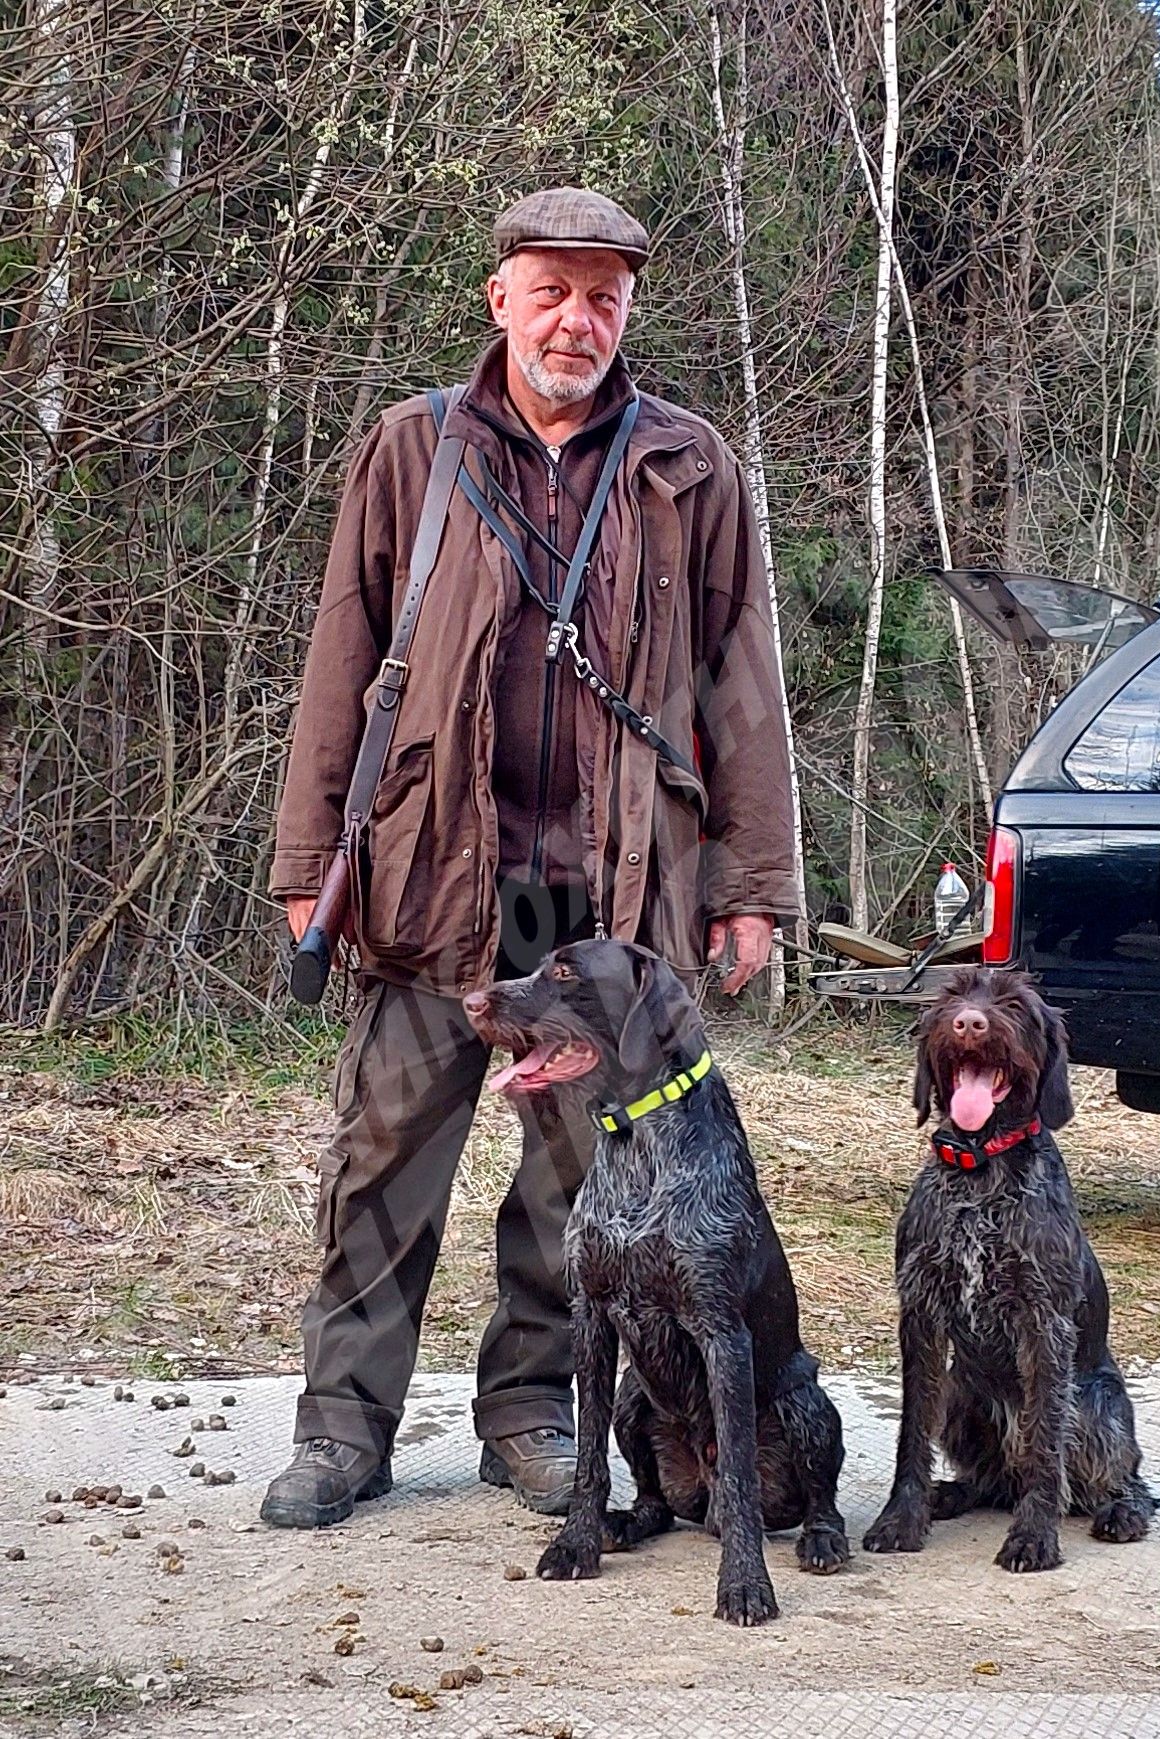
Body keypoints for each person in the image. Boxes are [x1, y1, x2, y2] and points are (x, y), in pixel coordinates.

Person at [259, 187, 801, 1527]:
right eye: (551, 291)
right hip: (430, 872)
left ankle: (529, 1416)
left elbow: (742, 679)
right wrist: (309, 851)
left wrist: (748, 886)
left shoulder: (689, 466)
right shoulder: (415, 447)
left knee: (581, 1179)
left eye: (603, 297)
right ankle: (341, 1433)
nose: (576, 320)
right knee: (382, 1164)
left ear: (629, 310)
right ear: (500, 297)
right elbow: (343, 650)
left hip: (607, 902)